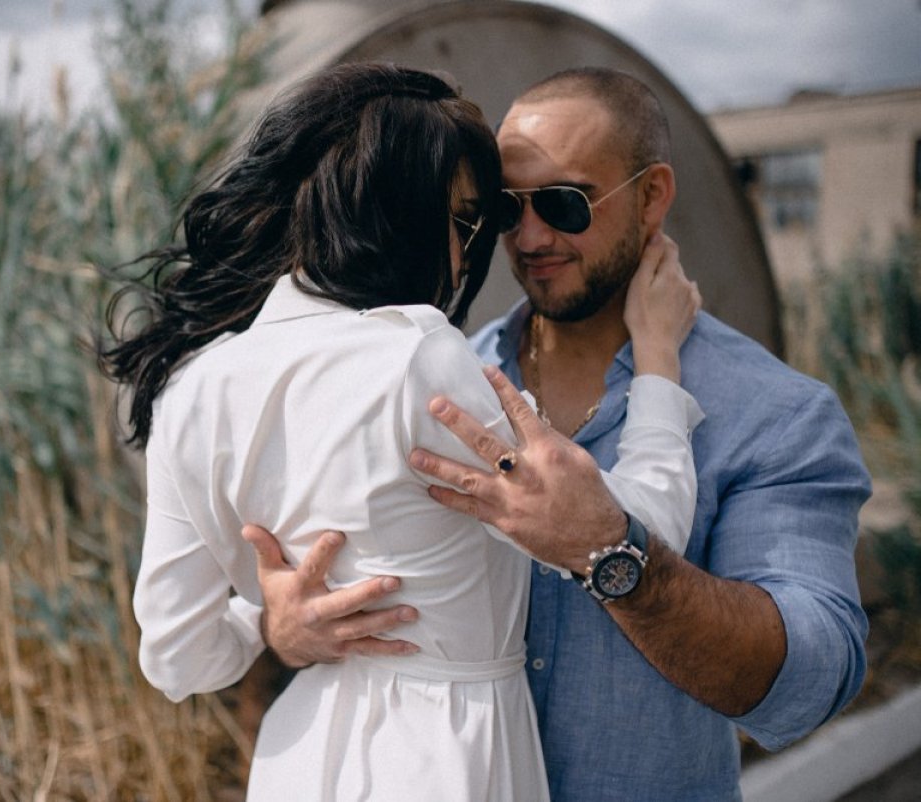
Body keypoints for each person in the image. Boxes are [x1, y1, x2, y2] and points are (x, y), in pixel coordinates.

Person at [244, 67, 872, 801]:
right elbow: (314, 567)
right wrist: (287, 626)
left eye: (565, 203)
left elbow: (811, 680)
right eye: (506, 209)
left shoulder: (775, 412)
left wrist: (610, 555)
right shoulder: (430, 381)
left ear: (652, 196)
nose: (532, 236)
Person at [100, 62, 704, 801]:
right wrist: (658, 360)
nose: (465, 252)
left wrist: (275, 623)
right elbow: (648, 530)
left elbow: (176, 660)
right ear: (400, 214)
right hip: (444, 758)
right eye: (464, 220)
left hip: (299, 762)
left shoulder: (192, 386)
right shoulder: (418, 357)